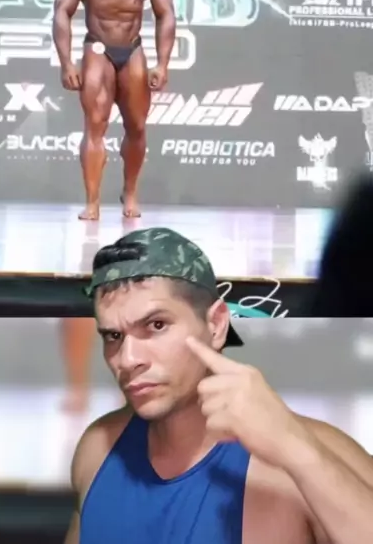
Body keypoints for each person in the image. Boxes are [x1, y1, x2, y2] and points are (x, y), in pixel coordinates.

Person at [64, 227, 373, 544]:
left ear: (215, 325)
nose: (128, 359)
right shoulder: (98, 450)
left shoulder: (315, 454)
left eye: (156, 325)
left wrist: (294, 447)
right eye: (114, 336)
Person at [53, 0, 176, 221]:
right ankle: (92, 202)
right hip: (97, 47)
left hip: (132, 49)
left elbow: (166, 15)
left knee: (137, 126)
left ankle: (130, 192)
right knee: (95, 124)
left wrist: (162, 63)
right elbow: (62, 12)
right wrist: (66, 62)